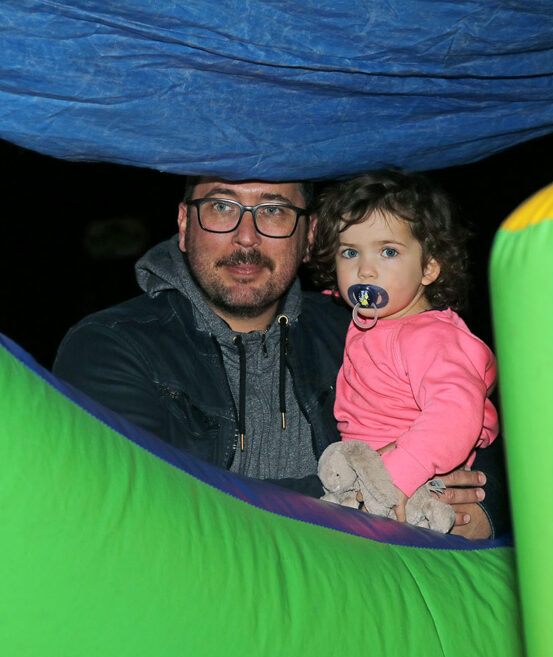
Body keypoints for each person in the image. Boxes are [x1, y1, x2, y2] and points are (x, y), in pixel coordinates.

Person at [53, 176, 497, 538]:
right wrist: (353, 487)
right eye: (222, 206)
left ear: (309, 236)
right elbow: (143, 508)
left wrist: (481, 513)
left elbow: (485, 431)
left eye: (273, 211)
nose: (246, 237)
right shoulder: (110, 345)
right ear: (185, 225)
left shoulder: (362, 326)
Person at [311, 170, 500, 524]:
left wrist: (396, 478)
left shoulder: (433, 337)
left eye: (388, 251)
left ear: (428, 267)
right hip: (366, 479)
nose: (365, 270)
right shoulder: (376, 319)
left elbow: (455, 415)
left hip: (410, 487)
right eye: (350, 252)